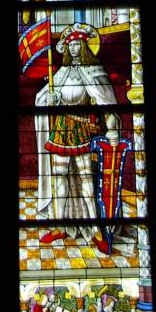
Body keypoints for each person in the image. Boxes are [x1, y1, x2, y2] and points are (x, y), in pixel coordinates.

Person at [34, 23, 115, 242]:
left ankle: (95, 228)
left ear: (85, 46)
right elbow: (43, 98)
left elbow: (106, 100)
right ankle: (60, 225)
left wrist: (111, 126)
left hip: (81, 129)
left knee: (86, 180)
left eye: (77, 44)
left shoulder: (94, 71)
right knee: (59, 177)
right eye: (70, 45)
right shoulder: (61, 73)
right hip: (62, 128)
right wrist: (49, 99)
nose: (73, 49)